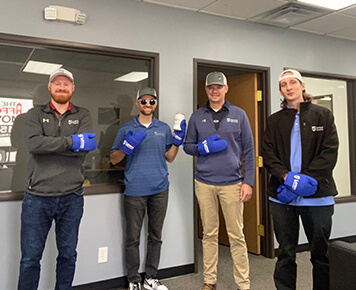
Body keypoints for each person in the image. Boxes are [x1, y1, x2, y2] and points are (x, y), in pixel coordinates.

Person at [18, 68, 97, 290]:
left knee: (68, 255)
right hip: (37, 197)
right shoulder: (34, 114)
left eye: (66, 84)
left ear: (72, 88)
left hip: (72, 196)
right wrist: (72, 142)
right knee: (30, 260)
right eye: (57, 83)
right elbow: (33, 144)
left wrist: (51, 145)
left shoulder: (83, 114)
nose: (61, 87)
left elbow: (85, 151)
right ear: (49, 87)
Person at [262, 69, 339, 290]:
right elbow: (268, 154)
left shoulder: (322, 115)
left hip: (318, 197)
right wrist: (287, 178)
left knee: (320, 254)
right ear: (280, 90)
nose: (289, 87)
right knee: (285, 253)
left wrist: (303, 182)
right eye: (284, 84)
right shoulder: (274, 120)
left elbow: (329, 152)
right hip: (282, 198)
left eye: (293, 82)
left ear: (302, 85)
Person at [184, 72, 255, 290]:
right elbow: (187, 146)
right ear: (206, 90)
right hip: (204, 183)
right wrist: (201, 149)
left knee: (237, 235)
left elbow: (249, 151)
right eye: (210, 87)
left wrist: (248, 181)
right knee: (209, 233)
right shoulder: (197, 116)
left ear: (226, 88)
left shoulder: (239, 114)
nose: (214, 91)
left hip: (233, 183)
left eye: (218, 87)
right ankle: (210, 280)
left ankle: (243, 284)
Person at [110, 87, 186, 290]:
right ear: (137, 104)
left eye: (152, 101)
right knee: (132, 238)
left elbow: (169, 157)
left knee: (155, 236)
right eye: (143, 101)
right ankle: (133, 280)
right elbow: (113, 159)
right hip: (134, 190)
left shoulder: (163, 128)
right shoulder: (126, 129)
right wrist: (125, 148)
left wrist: (177, 141)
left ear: (156, 104)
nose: (147, 105)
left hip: (160, 189)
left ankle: (151, 277)